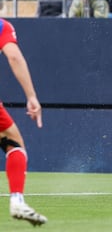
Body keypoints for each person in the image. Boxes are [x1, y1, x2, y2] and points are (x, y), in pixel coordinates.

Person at [0, 18, 47, 226]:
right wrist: (31, 96)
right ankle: (17, 199)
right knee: (14, 144)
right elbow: (14, 57)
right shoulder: (2, 26)